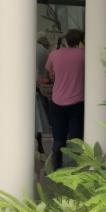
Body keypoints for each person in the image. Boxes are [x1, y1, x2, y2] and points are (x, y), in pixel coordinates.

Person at [45, 29, 85, 170]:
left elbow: (49, 73)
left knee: (58, 140)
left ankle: (55, 169)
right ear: (80, 41)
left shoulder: (54, 54)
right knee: (77, 139)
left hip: (57, 101)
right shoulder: (84, 54)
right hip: (77, 102)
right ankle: (78, 169)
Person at [35, 32, 52, 159]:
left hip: (34, 87)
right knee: (42, 118)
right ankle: (41, 149)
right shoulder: (45, 52)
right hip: (41, 88)